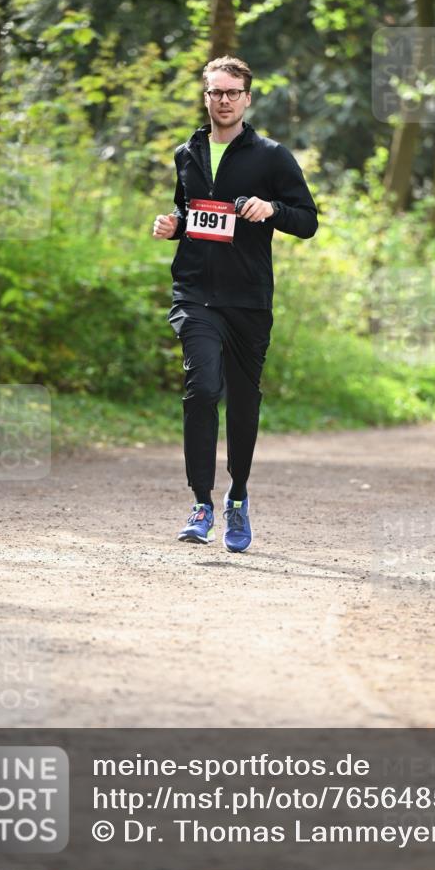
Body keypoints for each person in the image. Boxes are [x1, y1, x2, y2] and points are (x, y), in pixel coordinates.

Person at [152, 55, 318, 551]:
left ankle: (238, 498)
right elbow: (188, 211)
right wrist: (173, 225)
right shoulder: (188, 152)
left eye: (231, 92)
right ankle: (201, 501)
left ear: (246, 98)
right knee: (202, 388)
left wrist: (274, 210)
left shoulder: (271, 156)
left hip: (247, 300)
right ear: (205, 96)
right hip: (196, 294)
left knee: (243, 405)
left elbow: (307, 220)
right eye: (214, 92)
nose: (222, 100)